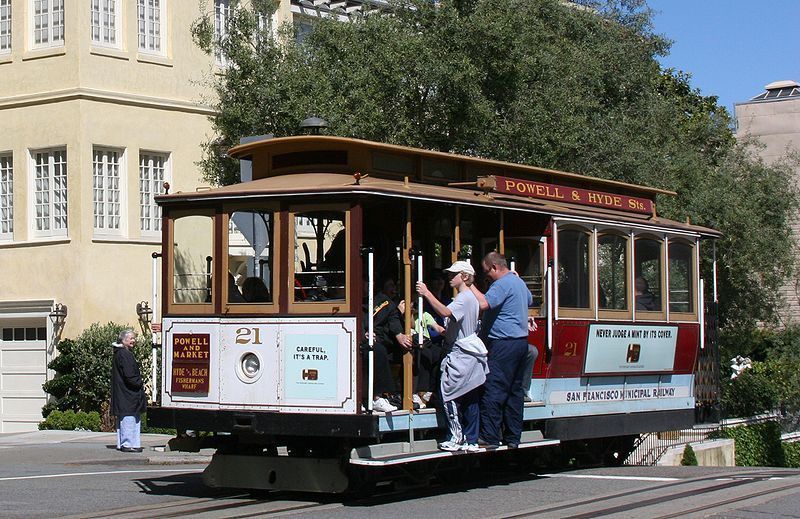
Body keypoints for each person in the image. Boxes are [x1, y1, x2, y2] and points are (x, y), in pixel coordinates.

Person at [417, 260, 487, 452]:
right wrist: (436, 327)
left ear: (464, 276)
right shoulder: (469, 297)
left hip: (461, 355)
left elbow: (445, 312)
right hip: (470, 353)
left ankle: (456, 438)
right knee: (470, 396)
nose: (450, 277)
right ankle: (471, 439)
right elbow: (454, 326)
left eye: (453, 274)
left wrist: (427, 293)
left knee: (449, 395)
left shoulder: (464, 298)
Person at [470, 251, 535, 449]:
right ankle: (513, 437)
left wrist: (468, 284)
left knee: (494, 388)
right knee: (515, 391)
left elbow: (484, 303)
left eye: (486, 272)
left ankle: (489, 436)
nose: (486, 277)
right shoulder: (518, 282)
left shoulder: (503, 284)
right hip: (520, 343)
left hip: (503, 344)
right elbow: (530, 301)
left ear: (495, 267)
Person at [363, 279, 413, 412]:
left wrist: (399, 335)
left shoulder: (385, 302)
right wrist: (363, 333)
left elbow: (393, 319)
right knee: (377, 350)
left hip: (383, 338)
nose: (394, 289)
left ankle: (414, 393)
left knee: (416, 349)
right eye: (390, 285)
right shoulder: (356, 300)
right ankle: (376, 397)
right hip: (363, 340)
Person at [398, 298, 446, 408]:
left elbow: (437, 327)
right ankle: (419, 391)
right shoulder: (401, 315)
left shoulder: (424, 315)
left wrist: (446, 332)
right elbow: (411, 326)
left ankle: (431, 390)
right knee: (424, 354)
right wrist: (407, 312)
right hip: (415, 343)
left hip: (425, 341)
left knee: (439, 354)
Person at [111, 329, 147, 453]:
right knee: (128, 418)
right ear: (123, 339)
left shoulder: (120, 353)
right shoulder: (124, 354)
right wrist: (139, 382)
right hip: (127, 394)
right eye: (131, 338)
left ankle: (128, 443)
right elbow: (129, 375)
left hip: (124, 393)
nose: (133, 341)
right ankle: (127, 444)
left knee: (128, 418)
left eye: (134, 338)